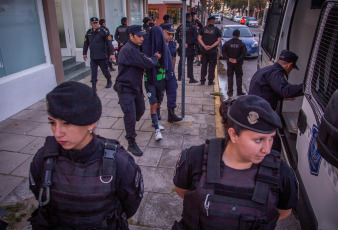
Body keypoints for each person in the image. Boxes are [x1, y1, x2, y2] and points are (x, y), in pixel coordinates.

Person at [28, 81, 144, 229]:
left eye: (67, 123)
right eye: (52, 123)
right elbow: (40, 195)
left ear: (91, 123)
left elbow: (129, 206)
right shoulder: (43, 159)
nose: (57, 133)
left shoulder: (120, 163)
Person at [172, 95, 298, 230]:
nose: (267, 150)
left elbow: (283, 212)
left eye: (271, 138)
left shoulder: (282, 173)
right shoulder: (194, 158)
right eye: (258, 140)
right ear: (233, 135)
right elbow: (182, 191)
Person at [114, 25, 161, 156]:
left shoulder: (135, 48)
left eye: (143, 36)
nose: (142, 39)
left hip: (135, 88)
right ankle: (131, 142)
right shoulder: (129, 50)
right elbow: (148, 63)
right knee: (130, 115)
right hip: (125, 89)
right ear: (131, 36)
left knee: (139, 111)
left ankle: (129, 126)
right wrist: (156, 57)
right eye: (139, 36)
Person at [142, 26, 173, 141]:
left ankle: (155, 121)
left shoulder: (164, 46)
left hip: (162, 79)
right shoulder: (145, 46)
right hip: (149, 79)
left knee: (159, 102)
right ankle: (157, 130)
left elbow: (168, 62)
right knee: (153, 104)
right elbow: (146, 63)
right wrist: (155, 57)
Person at [83, 17, 115, 91]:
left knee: (105, 71)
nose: (96, 24)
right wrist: (84, 53)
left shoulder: (103, 32)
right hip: (93, 57)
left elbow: (109, 43)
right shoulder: (89, 33)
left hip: (102, 56)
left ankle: (109, 80)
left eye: (97, 23)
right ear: (91, 24)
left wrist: (112, 53)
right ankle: (93, 86)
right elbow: (85, 43)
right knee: (93, 72)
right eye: (94, 23)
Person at [160, 23, 182, 123]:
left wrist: (172, 70)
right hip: (160, 72)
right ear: (162, 32)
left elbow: (173, 57)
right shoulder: (157, 43)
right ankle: (156, 115)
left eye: (172, 34)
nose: (171, 36)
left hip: (170, 72)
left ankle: (171, 114)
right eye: (168, 34)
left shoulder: (172, 43)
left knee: (172, 91)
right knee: (159, 95)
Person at [222, 29, 247, 96]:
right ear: (239, 35)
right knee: (239, 77)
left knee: (230, 77)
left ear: (232, 35)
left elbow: (223, 52)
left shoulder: (227, 43)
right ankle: (239, 91)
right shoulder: (241, 44)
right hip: (238, 63)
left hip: (230, 63)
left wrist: (228, 58)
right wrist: (237, 60)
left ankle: (230, 92)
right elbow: (244, 54)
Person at [198, 16, 222, 85]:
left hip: (204, 51)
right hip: (213, 51)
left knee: (204, 65)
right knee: (212, 66)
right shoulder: (217, 30)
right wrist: (211, 46)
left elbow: (199, 38)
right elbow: (219, 40)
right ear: (214, 21)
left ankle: (202, 80)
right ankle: (210, 81)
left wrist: (204, 46)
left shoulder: (203, 29)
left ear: (208, 22)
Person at [175, 13, 198, 83]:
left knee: (181, 62)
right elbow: (195, 37)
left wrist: (181, 43)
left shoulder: (180, 27)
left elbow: (176, 36)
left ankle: (179, 76)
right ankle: (191, 78)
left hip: (182, 47)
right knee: (190, 63)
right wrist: (188, 44)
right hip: (190, 47)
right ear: (190, 18)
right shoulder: (193, 27)